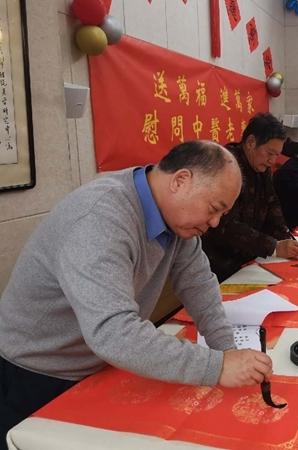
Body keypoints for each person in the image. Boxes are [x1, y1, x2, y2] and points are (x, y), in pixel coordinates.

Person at [0, 141, 273, 446]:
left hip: (97, 363)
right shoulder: (100, 217)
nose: (215, 223)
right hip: (37, 370)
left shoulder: (176, 219)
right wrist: (217, 366)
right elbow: (114, 333)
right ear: (181, 181)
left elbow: (198, 283)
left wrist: (228, 350)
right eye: (214, 209)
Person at [201, 112, 298, 282]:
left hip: (250, 259)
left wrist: (287, 239)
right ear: (251, 142)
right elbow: (225, 225)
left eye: (276, 155)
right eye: (270, 153)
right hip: (220, 265)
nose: (272, 161)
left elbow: (272, 206)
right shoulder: (226, 166)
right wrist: (274, 246)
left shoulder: (261, 167)